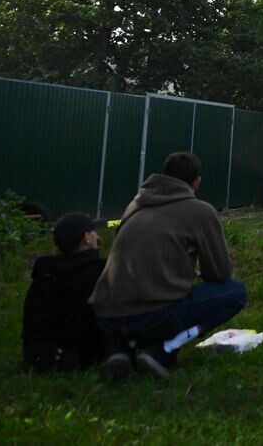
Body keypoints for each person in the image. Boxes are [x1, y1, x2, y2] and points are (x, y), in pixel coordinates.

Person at [90, 151, 248, 379]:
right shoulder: (200, 211)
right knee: (235, 291)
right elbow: (220, 274)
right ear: (197, 182)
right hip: (151, 317)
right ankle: (163, 351)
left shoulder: (135, 205)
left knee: (139, 308)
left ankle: (119, 349)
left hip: (106, 316)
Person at [21, 212, 107, 371]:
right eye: (93, 232)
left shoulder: (45, 271)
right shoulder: (99, 270)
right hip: (81, 354)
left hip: (37, 353)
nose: (97, 236)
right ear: (87, 238)